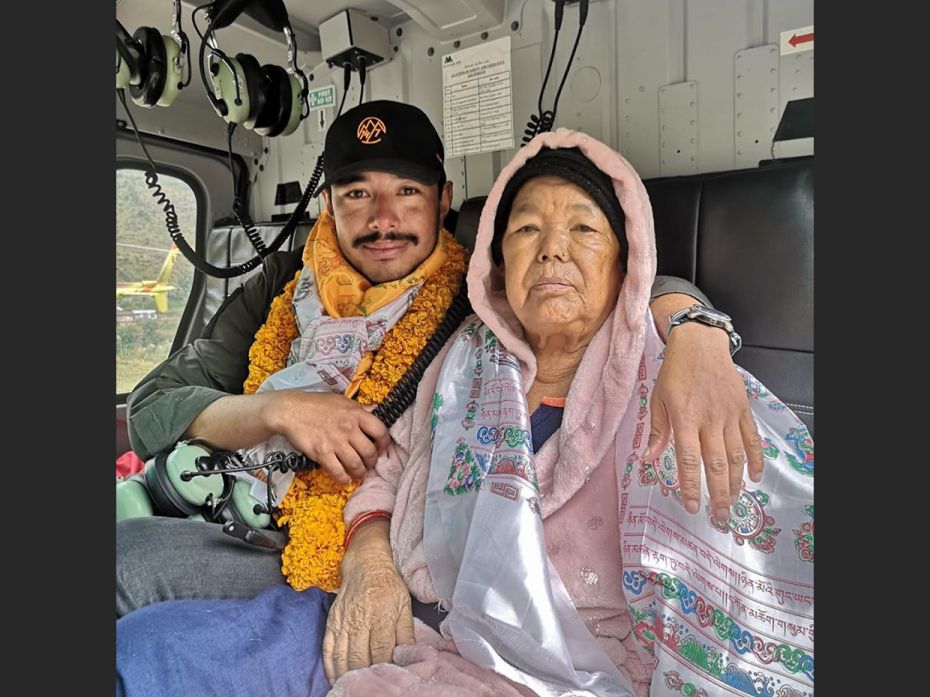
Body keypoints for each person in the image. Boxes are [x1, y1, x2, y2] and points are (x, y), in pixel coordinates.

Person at [117, 130, 812, 697]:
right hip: (382, 591)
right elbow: (383, 460)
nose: (553, 248)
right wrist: (362, 542)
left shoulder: (675, 379)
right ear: (499, 264)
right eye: (528, 229)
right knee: (141, 642)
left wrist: (693, 329)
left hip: (555, 669)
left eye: (583, 229)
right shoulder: (468, 354)